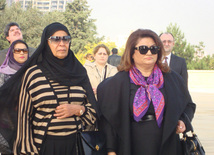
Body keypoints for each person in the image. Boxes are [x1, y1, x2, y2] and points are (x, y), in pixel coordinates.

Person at [0, 22, 99, 155]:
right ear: (46, 43)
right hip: (44, 146)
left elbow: (94, 114)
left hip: (76, 146)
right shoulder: (34, 74)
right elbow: (24, 118)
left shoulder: (79, 72)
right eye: (55, 39)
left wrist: (79, 109)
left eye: (66, 39)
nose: (62, 43)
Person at [97, 29, 196, 155]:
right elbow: (108, 119)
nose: (149, 52)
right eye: (143, 49)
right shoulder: (117, 83)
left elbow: (188, 105)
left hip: (167, 144)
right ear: (132, 52)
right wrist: (111, 150)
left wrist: (183, 121)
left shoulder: (172, 79)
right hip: (130, 144)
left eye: (154, 49)